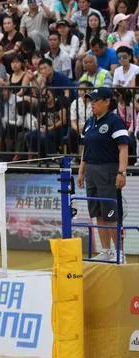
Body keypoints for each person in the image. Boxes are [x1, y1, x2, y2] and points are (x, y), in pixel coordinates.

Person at [77, 87, 129, 262]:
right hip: (91, 170)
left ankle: (119, 252)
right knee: (98, 212)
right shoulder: (90, 122)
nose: (92, 103)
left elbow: (123, 148)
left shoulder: (115, 121)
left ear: (107, 102)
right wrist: (81, 171)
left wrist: (121, 172)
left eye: (95, 100)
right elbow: (86, 149)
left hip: (108, 170)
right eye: (91, 100)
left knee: (111, 214)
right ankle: (106, 250)